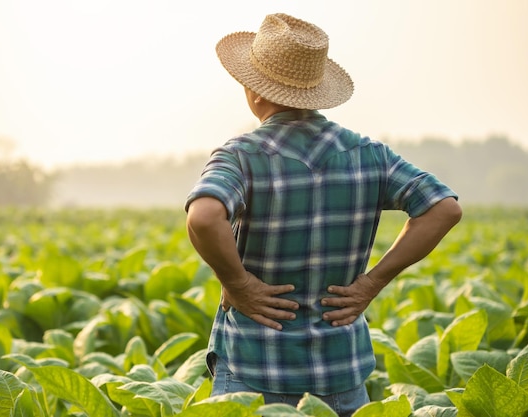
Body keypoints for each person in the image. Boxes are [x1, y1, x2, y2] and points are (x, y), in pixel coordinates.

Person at [184, 12, 462, 417]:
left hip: (254, 371)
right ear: (314, 90)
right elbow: (444, 208)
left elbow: (205, 216)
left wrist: (238, 284)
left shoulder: (242, 155)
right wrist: (372, 283)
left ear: (256, 92)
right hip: (341, 375)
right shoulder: (369, 155)